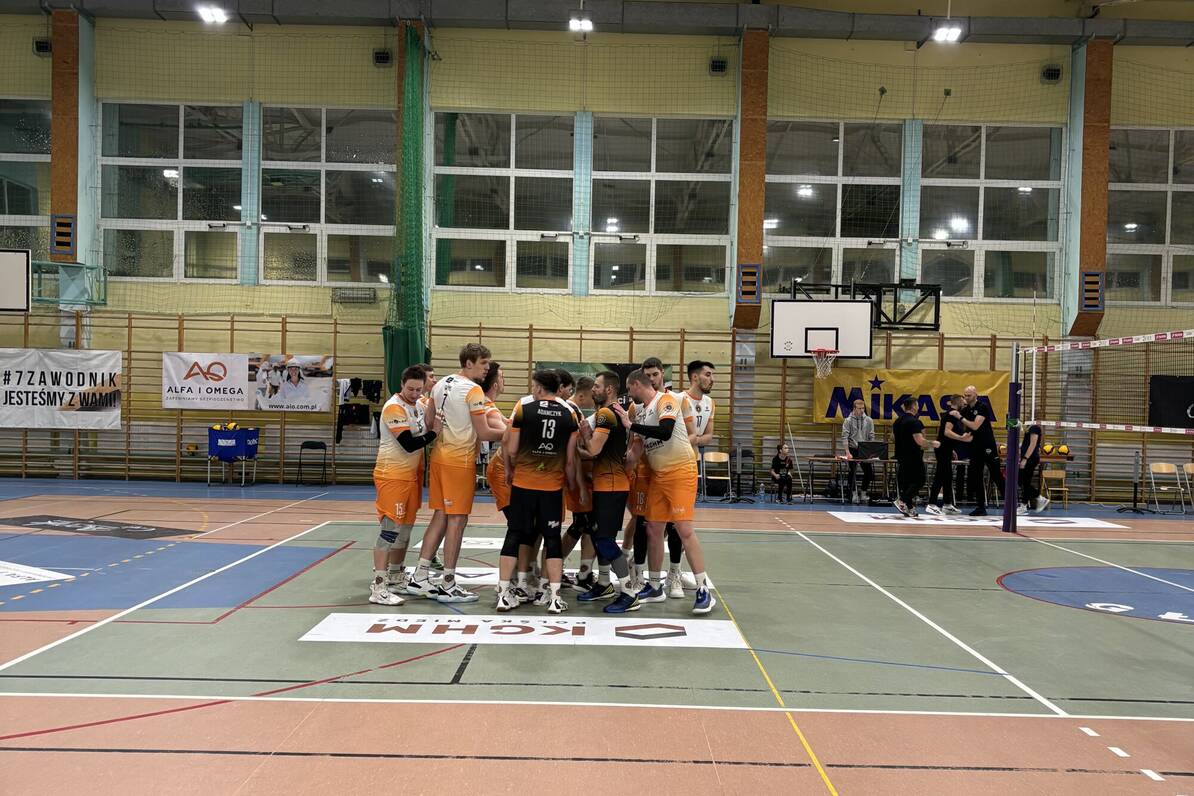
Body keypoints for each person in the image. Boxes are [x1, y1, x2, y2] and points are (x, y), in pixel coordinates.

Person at [406, 343, 504, 602]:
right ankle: (448, 583)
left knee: (440, 516)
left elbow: (429, 423)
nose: (487, 369)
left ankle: (420, 576)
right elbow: (484, 433)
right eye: (484, 363)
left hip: (439, 458)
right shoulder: (473, 390)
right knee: (457, 521)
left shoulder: (441, 383)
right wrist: (515, 434)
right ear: (469, 363)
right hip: (459, 461)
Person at [615, 369, 715, 614]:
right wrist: (618, 464)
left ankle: (703, 590)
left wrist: (631, 424)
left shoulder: (665, 400)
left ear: (637, 384)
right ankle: (654, 586)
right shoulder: (640, 412)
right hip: (659, 476)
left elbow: (665, 431)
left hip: (681, 471)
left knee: (683, 529)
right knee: (653, 528)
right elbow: (636, 451)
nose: (628, 393)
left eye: (629, 388)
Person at [495, 369, 580, 615]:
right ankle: (553, 597)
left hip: (523, 483)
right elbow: (570, 459)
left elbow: (511, 449)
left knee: (514, 535)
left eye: (534, 386)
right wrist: (571, 483)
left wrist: (510, 470)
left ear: (540, 388)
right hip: (552, 487)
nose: (533, 390)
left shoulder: (524, 409)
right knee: (552, 539)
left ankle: (504, 594)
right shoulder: (570, 414)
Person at [370, 365, 440, 605]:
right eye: (410, 389)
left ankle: (395, 575)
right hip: (392, 475)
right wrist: (434, 433)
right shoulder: (394, 408)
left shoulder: (419, 404)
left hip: (411, 477)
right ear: (402, 384)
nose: (414, 393)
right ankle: (378, 585)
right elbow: (409, 444)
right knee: (390, 530)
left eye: (419, 389)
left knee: (406, 530)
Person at [576, 370, 640, 613]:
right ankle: (604, 583)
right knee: (598, 535)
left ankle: (629, 592)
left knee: (604, 539)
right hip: (608, 483)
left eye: (597, 386)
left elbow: (593, 449)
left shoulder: (605, 414)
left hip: (611, 485)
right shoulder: (614, 412)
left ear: (609, 389)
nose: (593, 389)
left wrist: (584, 435)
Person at [892, 396, 940, 517]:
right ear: (913, 406)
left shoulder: (898, 421)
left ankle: (909, 507)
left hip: (901, 456)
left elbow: (893, 438)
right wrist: (933, 443)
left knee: (907, 483)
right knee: (920, 480)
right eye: (917, 405)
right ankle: (902, 500)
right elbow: (920, 441)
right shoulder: (914, 422)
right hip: (913, 456)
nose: (918, 407)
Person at [958, 385, 1002, 517]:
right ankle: (980, 507)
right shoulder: (966, 410)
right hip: (975, 447)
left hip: (987, 445)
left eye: (969, 395)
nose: (966, 398)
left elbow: (975, 426)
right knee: (975, 476)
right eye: (965, 395)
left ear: (975, 395)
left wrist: (960, 417)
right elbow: (967, 429)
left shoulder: (982, 407)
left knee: (996, 474)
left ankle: (1012, 503)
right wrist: (964, 436)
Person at [925, 394, 972, 515]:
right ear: (958, 402)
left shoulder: (953, 414)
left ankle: (947, 504)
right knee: (940, 475)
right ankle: (931, 504)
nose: (964, 403)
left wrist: (951, 450)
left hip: (946, 448)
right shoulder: (952, 414)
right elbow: (946, 432)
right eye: (963, 401)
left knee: (948, 476)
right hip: (942, 449)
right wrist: (961, 438)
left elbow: (943, 434)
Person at [841, 398, 875, 504]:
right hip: (853, 448)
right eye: (859, 408)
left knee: (869, 472)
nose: (861, 410)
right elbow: (845, 437)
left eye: (863, 408)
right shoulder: (848, 420)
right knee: (852, 471)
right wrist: (847, 452)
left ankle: (863, 493)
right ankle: (854, 493)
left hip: (864, 449)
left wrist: (870, 451)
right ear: (854, 408)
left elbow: (871, 436)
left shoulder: (869, 420)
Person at [1019, 421, 1049, 514]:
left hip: (1030, 459)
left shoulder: (1034, 428)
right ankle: (1026, 504)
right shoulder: (1030, 428)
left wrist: (1025, 459)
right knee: (1024, 482)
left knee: (1023, 481)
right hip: (1028, 458)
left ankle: (1037, 499)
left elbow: (1033, 444)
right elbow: (1027, 443)